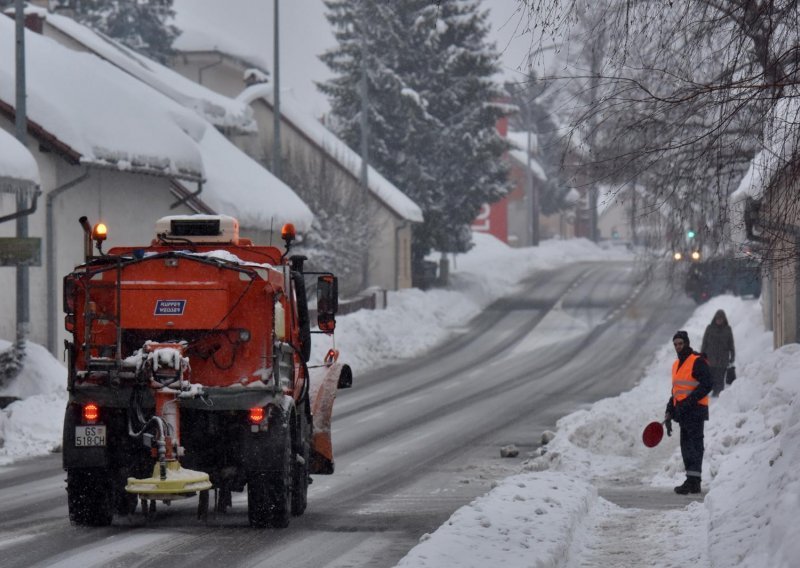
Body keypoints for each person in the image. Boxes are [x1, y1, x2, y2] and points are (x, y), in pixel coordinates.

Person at [665, 330, 713, 495]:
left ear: (686, 343)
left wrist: (688, 402)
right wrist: (669, 410)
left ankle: (694, 482)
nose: (678, 347)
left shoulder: (697, 361)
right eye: (675, 344)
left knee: (694, 447)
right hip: (683, 413)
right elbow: (676, 391)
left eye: (680, 343)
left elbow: (707, 384)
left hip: (695, 411)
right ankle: (691, 481)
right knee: (686, 448)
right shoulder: (676, 365)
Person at [701, 309, 735, 396]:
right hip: (710, 359)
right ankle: (713, 392)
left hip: (723, 359)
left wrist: (732, 357)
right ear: (715, 319)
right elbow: (704, 343)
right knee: (711, 378)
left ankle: (718, 396)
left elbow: (731, 344)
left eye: (721, 319)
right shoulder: (709, 328)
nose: (719, 320)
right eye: (717, 319)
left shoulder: (727, 329)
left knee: (720, 379)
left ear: (724, 319)